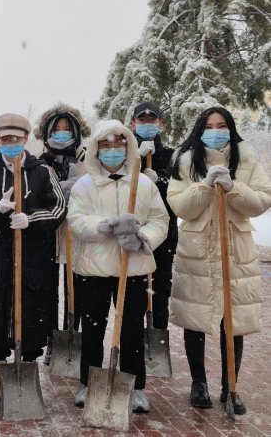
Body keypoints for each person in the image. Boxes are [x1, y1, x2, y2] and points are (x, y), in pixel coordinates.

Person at [167, 107, 271, 414]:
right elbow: (179, 206)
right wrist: (204, 186)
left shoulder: (247, 158)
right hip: (197, 250)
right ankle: (198, 383)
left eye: (222, 126)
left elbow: (262, 201)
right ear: (199, 130)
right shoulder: (185, 161)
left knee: (233, 319)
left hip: (235, 250)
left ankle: (231, 387)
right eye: (209, 126)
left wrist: (233, 187)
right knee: (195, 316)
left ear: (231, 129)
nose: (216, 131)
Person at [67, 120, 168, 413]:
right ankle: (89, 380)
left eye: (119, 144)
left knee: (132, 330)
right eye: (106, 145)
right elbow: (75, 221)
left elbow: (160, 220)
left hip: (133, 267)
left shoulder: (143, 184)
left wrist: (142, 236)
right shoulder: (85, 185)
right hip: (93, 269)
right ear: (96, 150)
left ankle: (135, 386)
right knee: (93, 328)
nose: (113, 150)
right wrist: (106, 226)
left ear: (128, 146)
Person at [0, 113, 67, 404]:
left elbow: (58, 207)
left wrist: (31, 218)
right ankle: (0, 372)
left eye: (15, 139)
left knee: (33, 311)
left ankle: (28, 369)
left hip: (34, 256)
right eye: (4, 139)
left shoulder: (42, 172)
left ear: (25, 139)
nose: (10, 144)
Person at [35, 103, 91, 365]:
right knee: (47, 289)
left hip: (76, 231)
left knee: (76, 288)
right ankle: (51, 339)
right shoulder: (39, 161)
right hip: (48, 230)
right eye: (56, 129)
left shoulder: (87, 158)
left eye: (66, 129)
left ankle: (72, 334)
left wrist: (75, 190)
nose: (61, 134)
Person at [130, 102, 178, 333]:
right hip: (135, 233)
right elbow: (117, 189)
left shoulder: (172, 155)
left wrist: (158, 181)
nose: (147, 124)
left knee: (160, 288)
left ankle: (158, 336)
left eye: (152, 120)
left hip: (164, 234)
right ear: (133, 124)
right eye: (142, 120)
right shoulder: (126, 155)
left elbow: (178, 197)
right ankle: (135, 339)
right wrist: (136, 165)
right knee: (135, 290)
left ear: (160, 123)